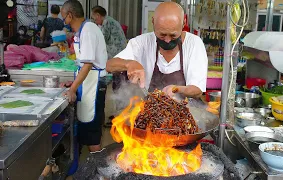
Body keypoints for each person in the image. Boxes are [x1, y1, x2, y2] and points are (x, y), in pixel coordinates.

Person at [106, 2, 207, 98]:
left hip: (186, 109)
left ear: (183, 23)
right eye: (162, 35)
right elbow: (109, 65)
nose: (167, 40)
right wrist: (129, 64)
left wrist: (176, 89)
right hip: (151, 109)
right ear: (153, 21)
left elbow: (197, 90)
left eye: (173, 35)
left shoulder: (194, 44)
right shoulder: (141, 42)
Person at [61, 0, 108, 152]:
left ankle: (98, 172)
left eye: (64, 17)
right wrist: (74, 83)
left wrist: (73, 89)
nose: (64, 21)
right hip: (88, 84)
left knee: (91, 132)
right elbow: (84, 64)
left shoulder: (88, 30)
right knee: (87, 128)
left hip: (94, 85)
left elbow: (88, 64)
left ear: (70, 15)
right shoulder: (83, 29)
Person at [91, 5, 128, 93]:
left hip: (116, 53)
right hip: (120, 52)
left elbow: (101, 40)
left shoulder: (106, 22)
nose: (95, 22)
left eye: (94, 19)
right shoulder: (110, 20)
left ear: (98, 15)